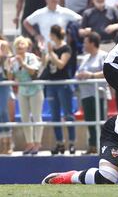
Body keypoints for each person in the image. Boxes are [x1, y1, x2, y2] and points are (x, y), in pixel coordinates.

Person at [5, 36, 44, 155]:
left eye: (21, 43)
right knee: (24, 118)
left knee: (36, 117)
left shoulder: (31, 57)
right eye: (17, 44)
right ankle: (29, 143)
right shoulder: (13, 60)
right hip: (22, 90)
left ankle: (37, 143)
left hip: (35, 90)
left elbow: (33, 71)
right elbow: (10, 78)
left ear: (27, 46)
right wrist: (9, 67)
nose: (19, 46)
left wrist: (22, 63)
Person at [43, 25, 77, 154]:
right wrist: (46, 53)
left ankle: (72, 143)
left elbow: (61, 65)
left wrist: (51, 52)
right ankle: (59, 143)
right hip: (51, 85)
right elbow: (46, 65)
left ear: (53, 34)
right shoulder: (51, 49)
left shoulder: (66, 48)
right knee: (55, 116)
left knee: (68, 114)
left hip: (63, 85)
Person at [75, 32, 107, 154]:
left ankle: (103, 147)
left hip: (98, 93)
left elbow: (107, 72)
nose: (83, 44)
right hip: (86, 94)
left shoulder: (103, 55)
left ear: (92, 43)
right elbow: (79, 72)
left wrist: (91, 75)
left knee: (100, 121)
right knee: (90, 121)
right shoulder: (85, 58)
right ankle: (92, 145)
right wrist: (79, 76)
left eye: (85, 42)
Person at [0, 35, 13, 155]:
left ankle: (8, 143)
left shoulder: (3, 44)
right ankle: (2, 143)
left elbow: (8, 69)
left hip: (3, 81)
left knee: (2, 111)